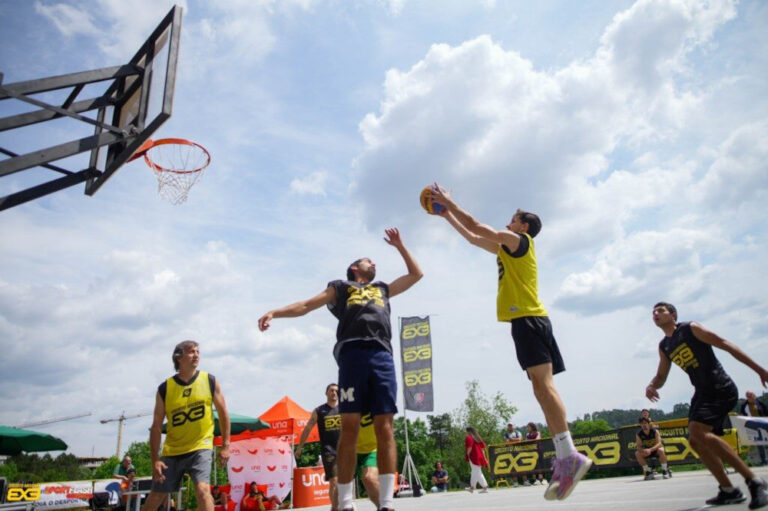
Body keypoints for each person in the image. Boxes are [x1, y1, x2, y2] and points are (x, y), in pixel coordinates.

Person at [430, 186, 591, 501]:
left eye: (513, 219)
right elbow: (474, 238)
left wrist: (448, 200)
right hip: (526, 323)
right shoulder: (507, 248)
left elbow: (478, 226)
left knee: (545, 388)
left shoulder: (521, 242)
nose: (508, 222)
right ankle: (565, 455)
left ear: (524, 226)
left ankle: (569, 455)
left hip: (530, 320)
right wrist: (446, 215)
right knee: (540, 388)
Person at [258, 228, 423, 511]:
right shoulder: (342, 288)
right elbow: (306, 305)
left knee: (385, 428)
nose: (374, 264)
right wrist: (276, 311)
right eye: (368, 261)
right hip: (352, 354)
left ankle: (386, 503)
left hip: (381, 354)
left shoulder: (382, 288)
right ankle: (345, 504)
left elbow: (416, 274)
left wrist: (400, 246)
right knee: (349, 428)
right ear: (354, 268)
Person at [646, 302, 768, 508]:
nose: (655, 314)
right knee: (695, 441)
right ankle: (729, 490)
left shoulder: (690, 329)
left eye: (661, 310)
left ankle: (755, 481)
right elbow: (661, 376)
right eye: (653, 312)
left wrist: (760, 370)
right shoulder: (664, 346)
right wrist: (652, 385)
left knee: (699, 432)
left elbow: (725, 344)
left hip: (719, 386)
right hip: (702, 392)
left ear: (673, 315)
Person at [141, 341, 231, 511]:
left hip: (201, 446)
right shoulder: (165, 388)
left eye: (198, 351)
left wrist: (226, 445)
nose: (196, 355)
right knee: (156, 496)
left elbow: (224, 413)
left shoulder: (209, 380)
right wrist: (155, 461)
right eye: (191, 352)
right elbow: (156, 427)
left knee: (203, 490)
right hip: (173, 451)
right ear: (178, 357)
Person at [296, 383, 341, 510]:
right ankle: (335, 507)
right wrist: (299, 447)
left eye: (336, 391)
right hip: (329, 451)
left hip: (345, 450)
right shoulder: (319, 410)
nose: (334, 393)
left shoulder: (344, 409)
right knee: (334, 482)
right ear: (326, 393)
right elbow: (308, 428)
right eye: (331, 390)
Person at [740, 391, 768, 466]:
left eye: (751, 395)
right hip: (753, 425)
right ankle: (764, 461)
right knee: (759, 443)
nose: (750, 397)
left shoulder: (759, 403)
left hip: (763, 422)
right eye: (748, 396)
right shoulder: (744, 405)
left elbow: (765, 412)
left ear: (754, 395)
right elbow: (742, 415)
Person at [464, 427, 490, 493]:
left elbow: (469, 447)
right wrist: (485, 458)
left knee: (476, 472)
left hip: (474, 456)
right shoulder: (477, 437)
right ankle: (472, 487)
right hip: (480, 456)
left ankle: (484, 487)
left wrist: (467, 455)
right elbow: (483, 447)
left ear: (468, 431)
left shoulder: (469, 437)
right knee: (476, 472)